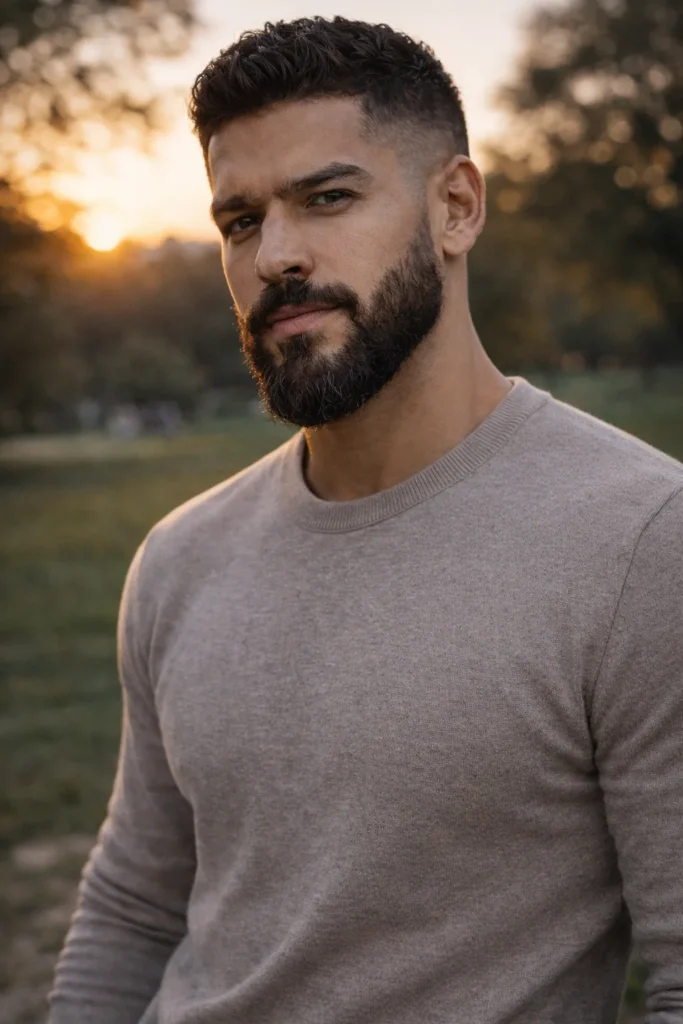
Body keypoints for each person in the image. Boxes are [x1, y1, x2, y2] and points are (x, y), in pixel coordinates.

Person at [48, 16, 683, 1024]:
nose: (275, 256)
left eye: (327, 198)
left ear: (456, 207)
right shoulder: (178, 558)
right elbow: (132, 910)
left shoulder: (641, 542)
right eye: (240, 220)